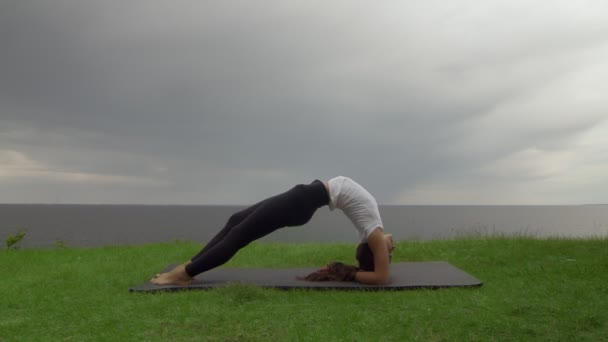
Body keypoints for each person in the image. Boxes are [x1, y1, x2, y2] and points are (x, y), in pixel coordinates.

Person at [150, 176, 395, 286]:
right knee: (235, 220)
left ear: (373, 250)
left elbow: (381, 278)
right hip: (305, 198)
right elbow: (383, 243)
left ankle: (184, 273)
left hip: (302, 201)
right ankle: (191, 265)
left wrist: (350, 274)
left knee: (239, 235)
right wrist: (385, 246)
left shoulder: (373, 233)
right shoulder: (376, 233)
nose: (388, 247)